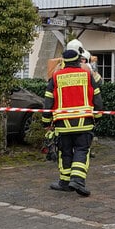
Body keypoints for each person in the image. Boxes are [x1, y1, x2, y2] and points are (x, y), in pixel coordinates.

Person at [42, 49, 102, 196]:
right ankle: (77, 180)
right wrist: (98, 116)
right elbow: (97, 97)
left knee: (65, 152)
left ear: (64, 61)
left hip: (63, 124)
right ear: (78, 61)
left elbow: (48, 100)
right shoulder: (87, 75)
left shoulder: (56, 77)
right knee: (82, 150)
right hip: (84, 123)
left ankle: (64, 182)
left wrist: (45, 121)